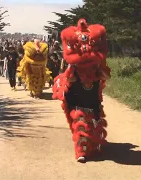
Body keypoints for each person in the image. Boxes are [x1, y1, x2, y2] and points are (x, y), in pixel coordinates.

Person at [52, 19, 110, 163]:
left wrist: (99, 66)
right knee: (81, 127)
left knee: (96, 126)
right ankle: (81, 151)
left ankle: (94, 147)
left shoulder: (97, 69)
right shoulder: (73, 70)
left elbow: (105, 77)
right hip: (78, 105)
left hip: (93, 103)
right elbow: (68, 81)